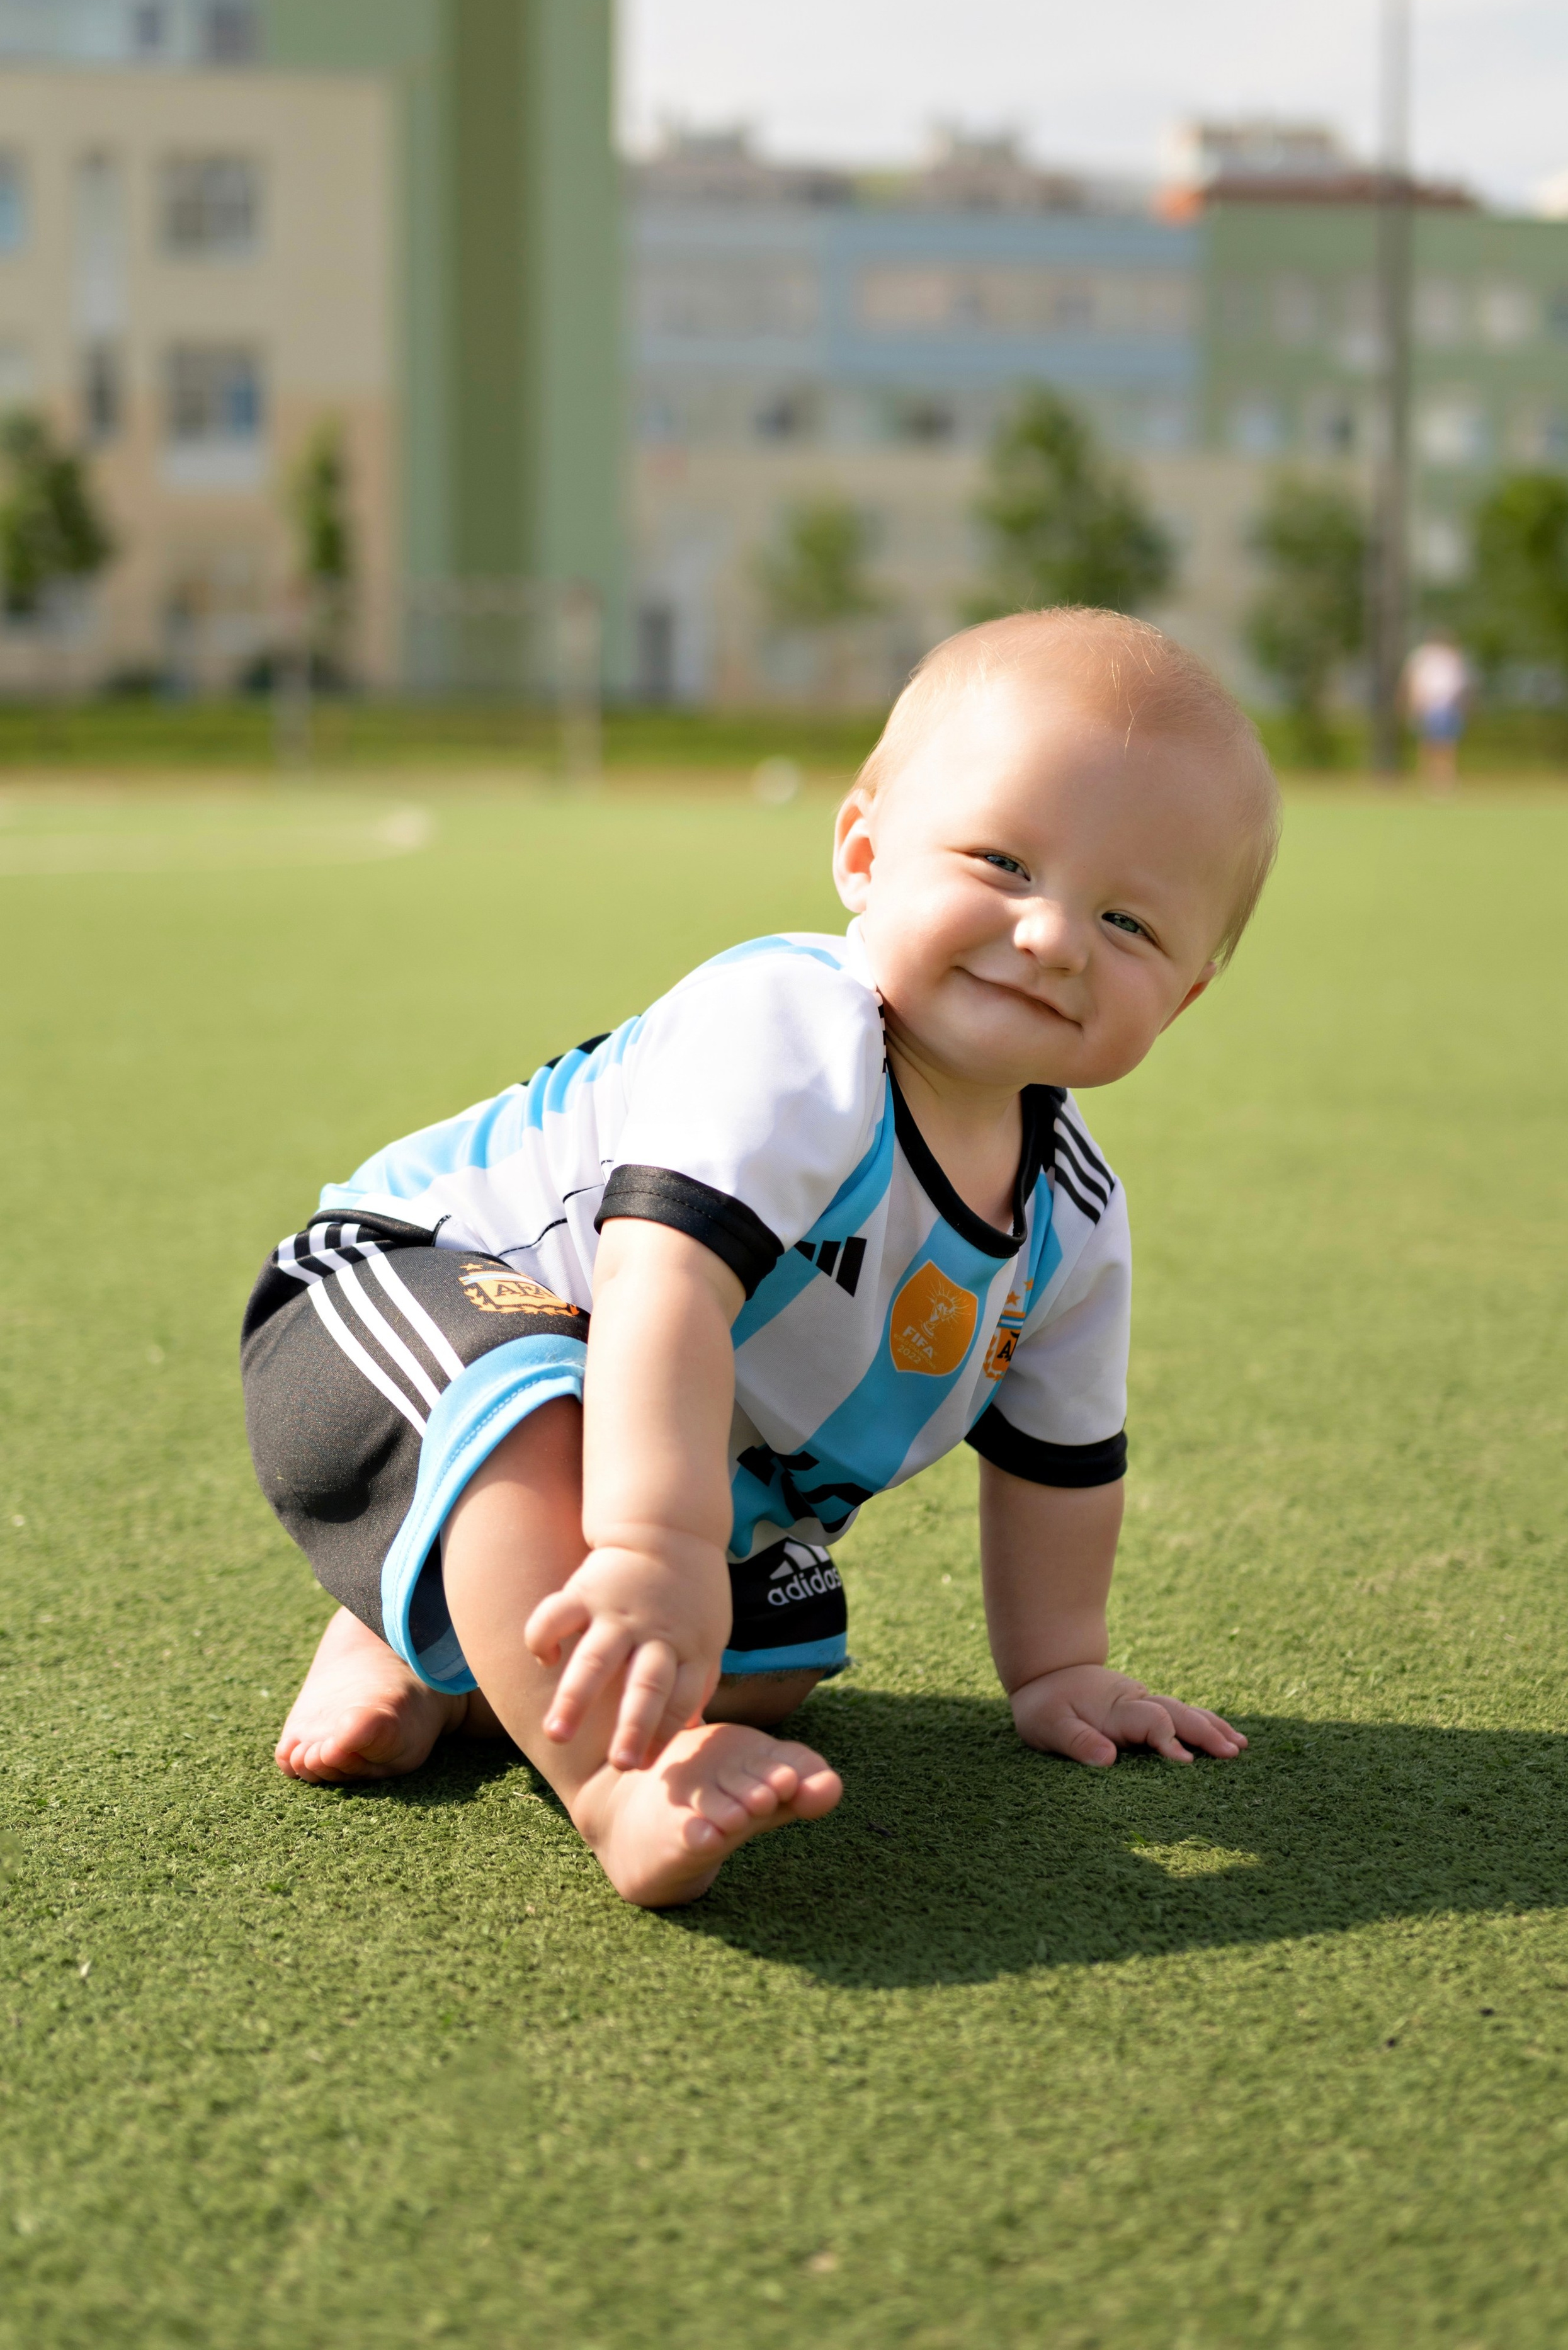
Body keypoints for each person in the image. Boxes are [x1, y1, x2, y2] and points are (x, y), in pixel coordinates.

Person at [243, 607, 1281, 1908]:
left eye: (1127, 922)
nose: (1052, 935)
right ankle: (621, 1787)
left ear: (1183, 996)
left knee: (780, 1648)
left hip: (658, 1438)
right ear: (862, 851)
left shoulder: (1070, 1217)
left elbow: (1060, 1466)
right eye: (1003, 862)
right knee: (537, 1414)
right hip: (399, 1297)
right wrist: (655, 1541)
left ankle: (437, 1661)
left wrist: (1059, 1667)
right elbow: (662, 1282)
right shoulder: (794, 1029)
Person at [1402, 632, 1471, 794]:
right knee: (1431, 743)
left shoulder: (1450, 657)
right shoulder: (1423, 657)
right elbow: (1413, 682)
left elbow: (1459, 684)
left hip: (1447, 705)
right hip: (1430, 705)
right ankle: (1431, 778)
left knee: (1445, 743)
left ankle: (1443, 778)